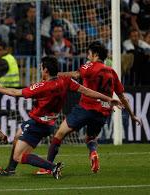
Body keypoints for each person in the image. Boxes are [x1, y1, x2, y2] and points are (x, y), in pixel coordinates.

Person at [0, 56, 122, 179]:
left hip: (37, 123)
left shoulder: (42, 87)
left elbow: (15, 92)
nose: (40, 70)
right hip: (49, 123)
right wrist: (108, 98)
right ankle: (10, 170)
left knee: (18, 156)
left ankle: (52, 167)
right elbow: (86, 91)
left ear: (46, 70)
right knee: (18, 136)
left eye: (41, 68)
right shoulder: (65, 81)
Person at [43, 42, 141, 174]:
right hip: (103, 112)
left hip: (86, 107)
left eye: (89, 54)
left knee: (60, 133)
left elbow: (76, 75)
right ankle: (93, 153)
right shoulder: (112, 72)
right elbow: (122, 96)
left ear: (95, 55)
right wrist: (133, 115)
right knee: (90, 138)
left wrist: (56, 75)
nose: (88, 56)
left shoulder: (89, 66)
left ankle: (47, 168)